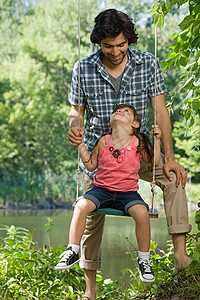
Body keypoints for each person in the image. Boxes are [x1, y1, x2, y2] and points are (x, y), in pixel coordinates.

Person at [68, 9, 192, 300]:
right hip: (103, 156)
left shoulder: (147, 63)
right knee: (90, 216)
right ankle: (90, 289)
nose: (115, 51)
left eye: (121, 45)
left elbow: (159, 110)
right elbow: (76, 111)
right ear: (99, 42)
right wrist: (75, 127)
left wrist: (170, 156)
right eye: (108, 46)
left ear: (129, 40)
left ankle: (181, 257)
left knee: (174, 180)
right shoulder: (83, 68)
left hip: (142, 150)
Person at [56, 104, 161, 284]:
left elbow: (155, 163)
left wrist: (157, 139)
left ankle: (144, 260)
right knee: (81, 206)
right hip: (101, 191)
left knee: (143, 213)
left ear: (135, 124)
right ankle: (72, 250)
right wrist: (80, 144)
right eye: (117, 111)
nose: (119, 111)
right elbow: (90, 165)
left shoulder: (138, 142)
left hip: (128, 194)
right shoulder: (103, 140)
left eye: (125, 111)